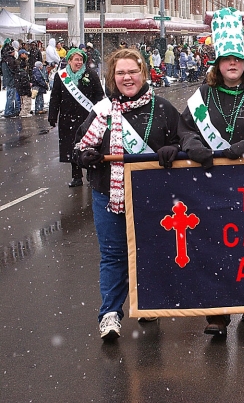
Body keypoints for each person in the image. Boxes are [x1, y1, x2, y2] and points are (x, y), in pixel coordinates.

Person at [178, 7, 244, 338]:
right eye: (226, 59)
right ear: (217, 64)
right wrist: (194, 144)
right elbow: (184, 128)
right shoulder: (203, 96)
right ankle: (217, 314)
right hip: (211, 185)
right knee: (214, 246)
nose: (232, 64)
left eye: (237, 59)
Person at [73, 48, 182, 340]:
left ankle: (147, 304)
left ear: (143, 73)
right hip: (107, 193)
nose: (127, 78)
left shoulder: (163, 109)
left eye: (132, 71)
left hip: (153, 195)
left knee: (151, 251)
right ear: (112, 77)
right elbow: (79, 147)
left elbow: (183, 141)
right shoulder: (101, 112)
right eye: (120, 73)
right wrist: (85, 157)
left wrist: (175, 149)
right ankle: (110, 314)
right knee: (113, 254)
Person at [48, 48, 105, 187]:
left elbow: (99, 95)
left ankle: (91, 175)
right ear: (69, 61)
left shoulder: (90, 74)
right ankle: (76, 176)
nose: (79, 62)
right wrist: (52, 115)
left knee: (89, 147)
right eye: (76, 59)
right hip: (67, 119)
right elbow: (55, 97)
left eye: (81, 60)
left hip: (87, 118)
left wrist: (101, 113)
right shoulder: (60, 76)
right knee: (72, 147)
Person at [1, 42, 19, 118]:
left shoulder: (3, 60)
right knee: (11, 97)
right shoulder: (10, 60)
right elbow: (14, 70)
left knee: (9, 96)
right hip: (11, 80)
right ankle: (9, 111)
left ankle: (8, 110)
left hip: (7, 80)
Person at [15, 51, 32, 118]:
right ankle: (25, 113)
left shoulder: (18, 73)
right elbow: (25, 83)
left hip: (20, 91)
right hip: (25, 91)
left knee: (22, 103)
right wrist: (28, 90)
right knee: (27, 102)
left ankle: (22, 112)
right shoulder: (24, 74)